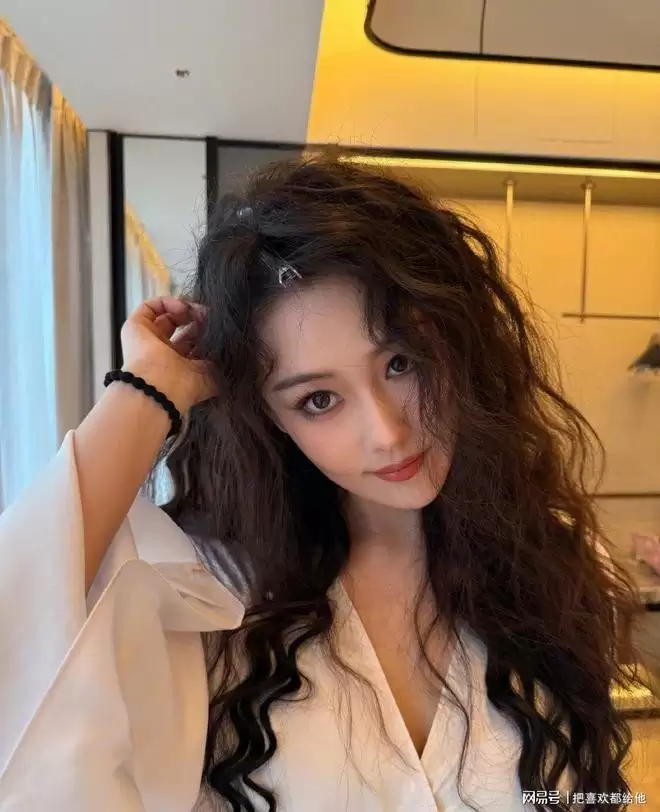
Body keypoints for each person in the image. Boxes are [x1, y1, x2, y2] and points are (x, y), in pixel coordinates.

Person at [0, 153, 646, 812]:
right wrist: (147, 391)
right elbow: (15, 649)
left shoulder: (555, 563)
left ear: (459, 346)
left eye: (402, 363)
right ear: (271, 419)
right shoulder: (203, 595)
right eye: (318, 400)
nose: (387, 432)